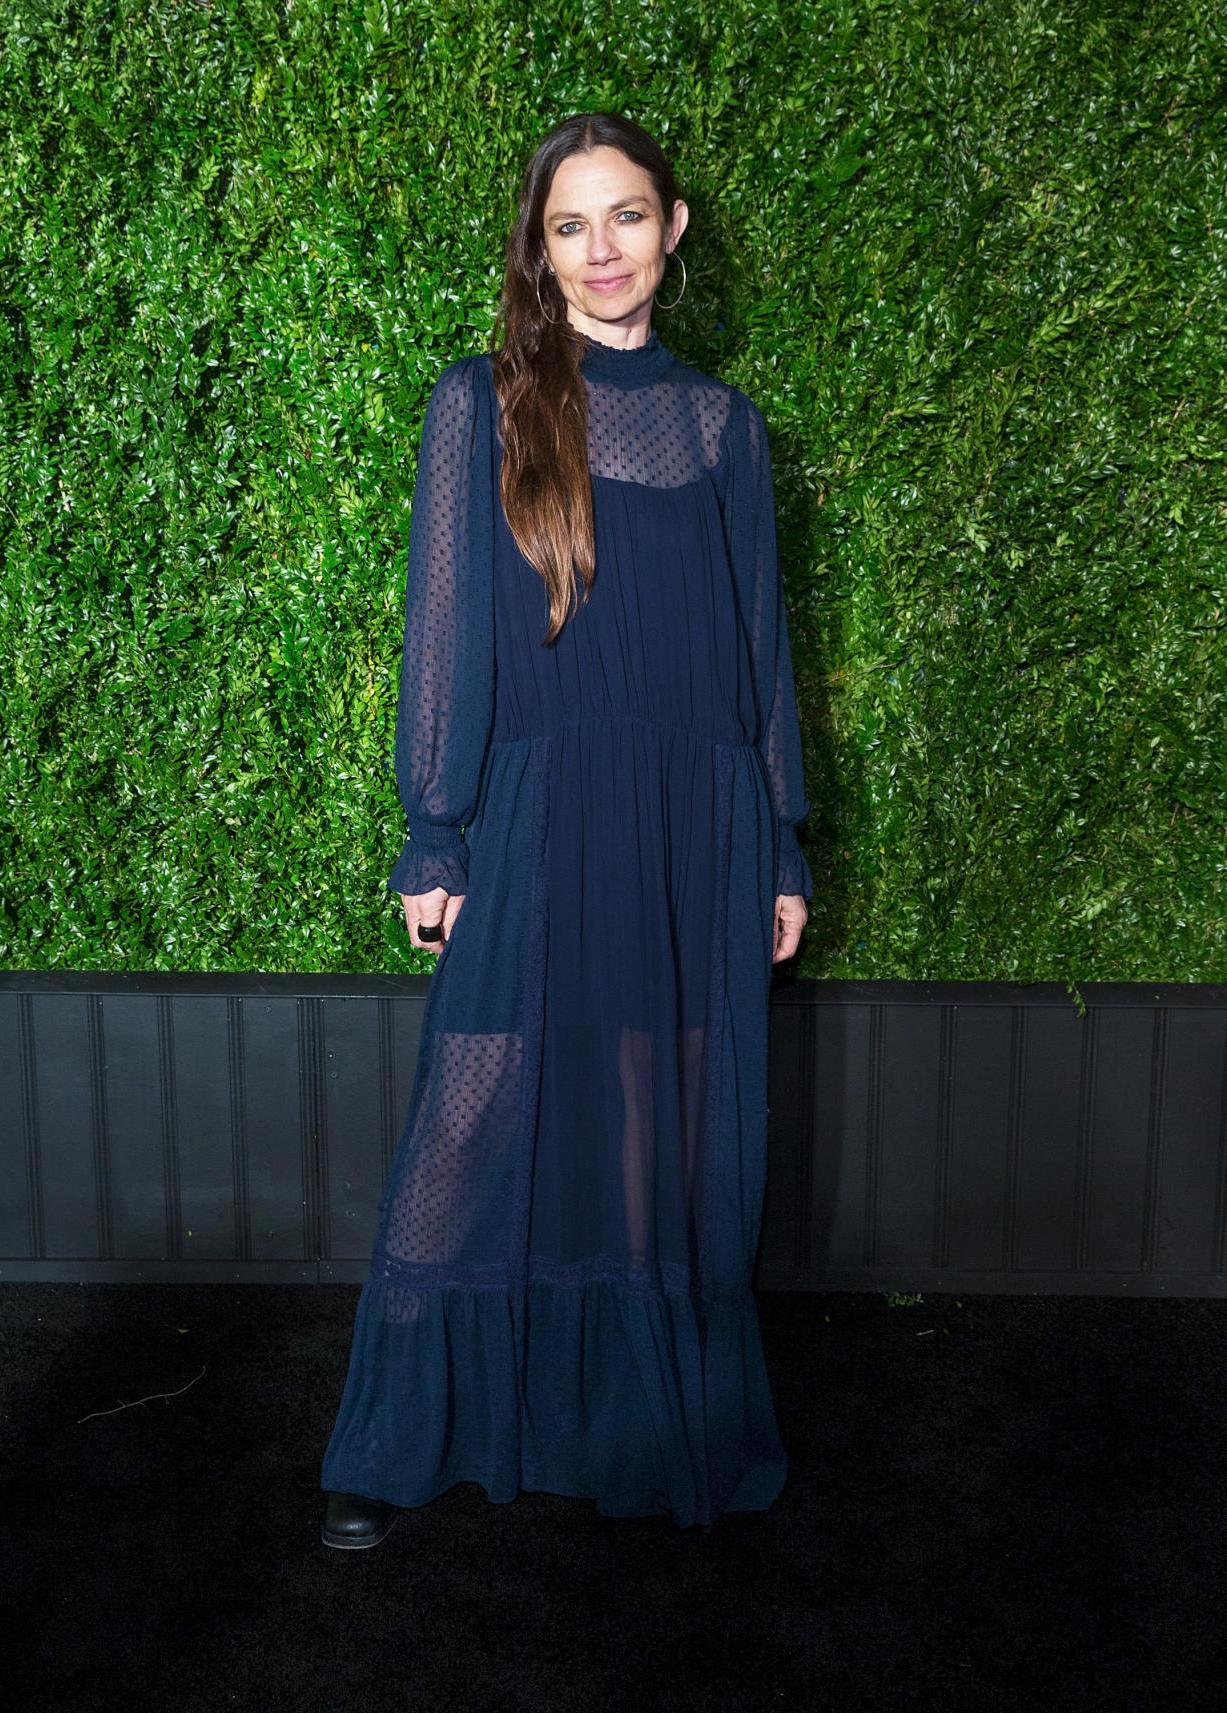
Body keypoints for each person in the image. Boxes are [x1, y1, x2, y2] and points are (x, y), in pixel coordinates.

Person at [320, 111, 812, 1547]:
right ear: (540, 253)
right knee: (472, 1118)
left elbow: (756, 655)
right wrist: (437, 831)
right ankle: (395, 1442)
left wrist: (780, 843)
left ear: (673, 230)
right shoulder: (481, 402)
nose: (601, 250)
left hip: (696, 825)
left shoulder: (726, 427)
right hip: (541, 811)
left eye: (626, 216)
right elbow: (447, 637)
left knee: (657, 1144)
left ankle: (634, 1430)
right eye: (568, 225)